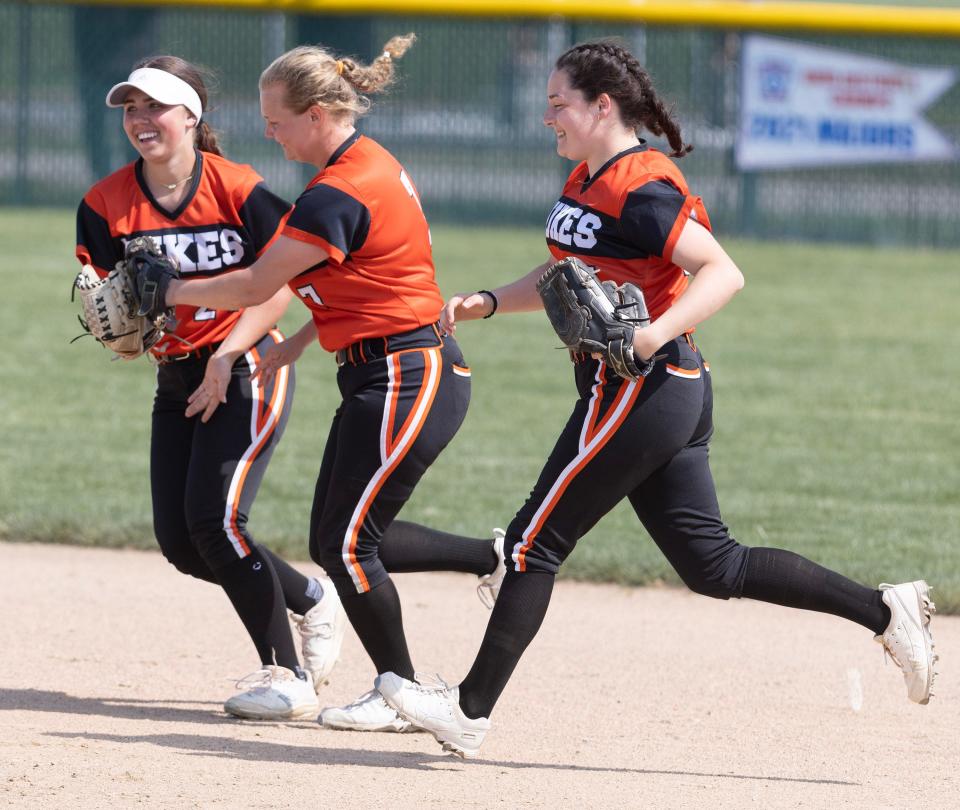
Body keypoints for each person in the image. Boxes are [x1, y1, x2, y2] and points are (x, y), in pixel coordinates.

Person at [373, 40, 939, 758]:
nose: (548, 114)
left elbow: (721, 272)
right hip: (658, 390)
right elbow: (565, 277)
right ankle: (884, 611)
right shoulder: (588, 175)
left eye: (559, 103)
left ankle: (469, 710)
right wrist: (489, 300)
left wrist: (653, 334)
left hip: (642, 386)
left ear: (601, 105)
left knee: (531, 544)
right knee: (715, 566)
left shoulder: (641, 185)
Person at [142, 36, 507, 734]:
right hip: (384, 368)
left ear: (315, 115)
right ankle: (483, 566)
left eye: (276, 119)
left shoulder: (341, 188)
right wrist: (307, 339)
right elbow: (366, 276)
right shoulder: (359, 167)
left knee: (345, 544)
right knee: (340, 537)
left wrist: (173, 288)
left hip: (408, 371)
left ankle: (403, 690)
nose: (269, 132)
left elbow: (256, 282)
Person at [75, 55, 349, 722]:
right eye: (131, 108)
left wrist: (229, 353)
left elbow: (286, 280)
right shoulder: (105, 203)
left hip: (247, 363)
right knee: (183, 542)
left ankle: (286, 676)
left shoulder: (238, 189)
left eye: (156, 107)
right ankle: (311, 600)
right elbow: (106, 298)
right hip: (176, 377)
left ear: (191, 118)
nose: (141, 120)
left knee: (217, 522)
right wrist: (120, 332)